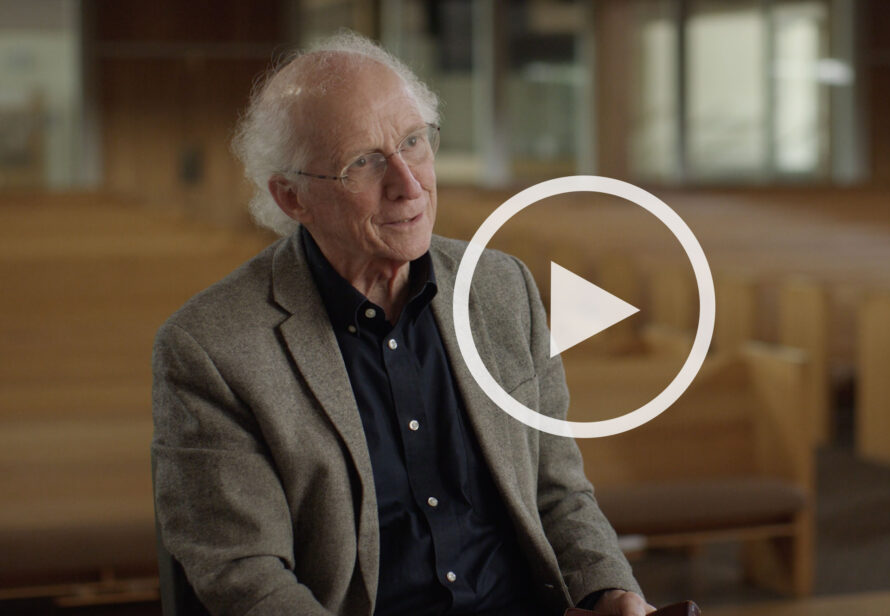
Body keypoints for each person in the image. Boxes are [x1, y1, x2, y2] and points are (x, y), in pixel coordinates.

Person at [151, 32, 651, 616]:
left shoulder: (501, 287)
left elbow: (559, 493)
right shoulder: (211, 348)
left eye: (413, 142)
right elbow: (247, 576)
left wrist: (610, 590)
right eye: (362, 162)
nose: (409, 185)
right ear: (292, 198)